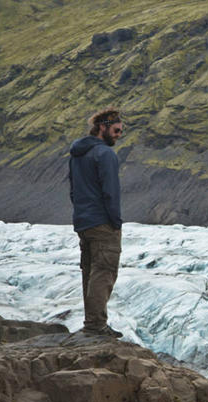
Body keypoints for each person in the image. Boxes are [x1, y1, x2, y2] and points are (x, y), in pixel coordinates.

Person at [68, 107, 125, 337]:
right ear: (103, 127)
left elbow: (73, 190)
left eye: (121, 131)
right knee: (104, 271)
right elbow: (110, 191)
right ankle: (95, 326)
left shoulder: (77, 153)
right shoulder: (105, 154)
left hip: (83, 221)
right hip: (103, 222)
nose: (119, 134)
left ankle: (94, 322)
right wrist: (116, 222)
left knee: (90, 271)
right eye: (116, 130)